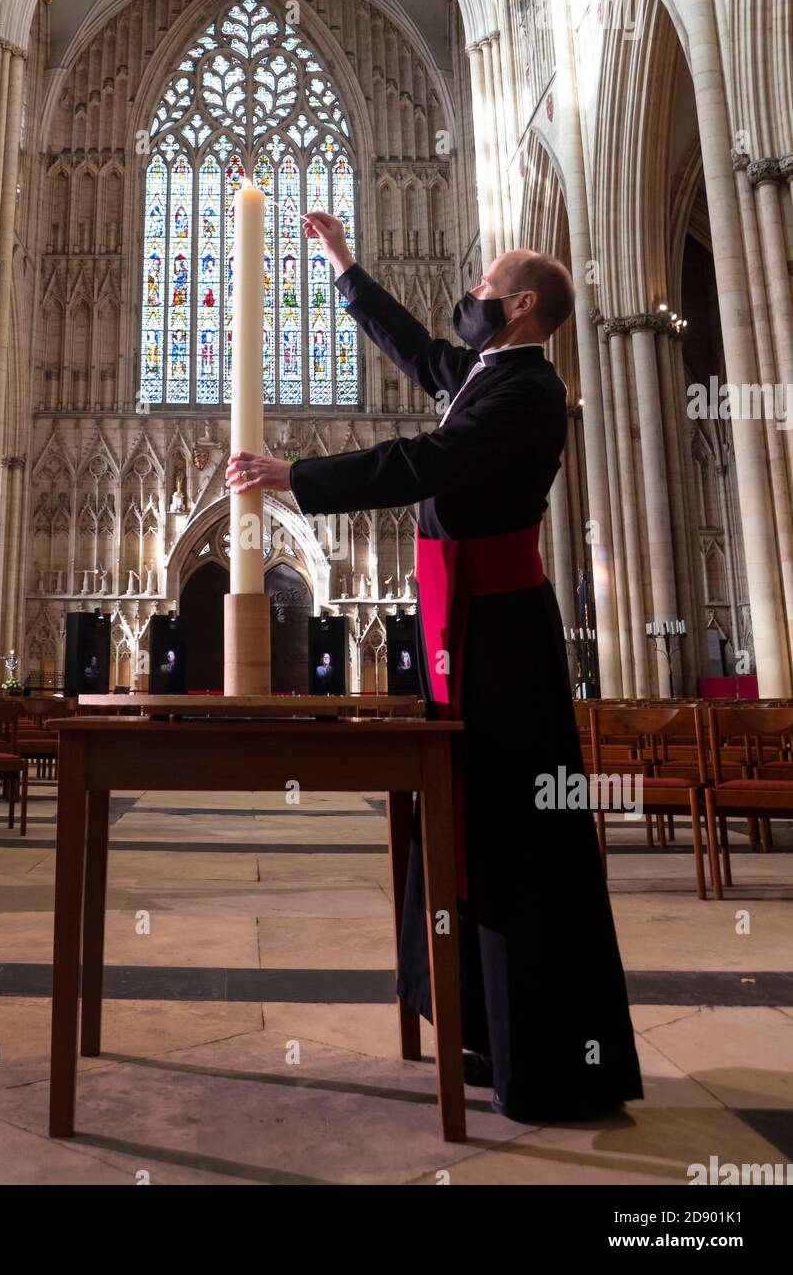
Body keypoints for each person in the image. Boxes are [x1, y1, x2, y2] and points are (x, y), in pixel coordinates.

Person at [226, 210, 643, 1124]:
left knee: (513, 834)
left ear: (520, 304)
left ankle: (548, 1058)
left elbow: (430, 460)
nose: (471, 299)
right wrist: (344, 267)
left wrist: (294, 475)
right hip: (471, 629)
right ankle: (491, 1029)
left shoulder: (528, 392)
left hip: (500, 640)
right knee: (471, 826)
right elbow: (418, 352)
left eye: (484, 289)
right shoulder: (493, 374)